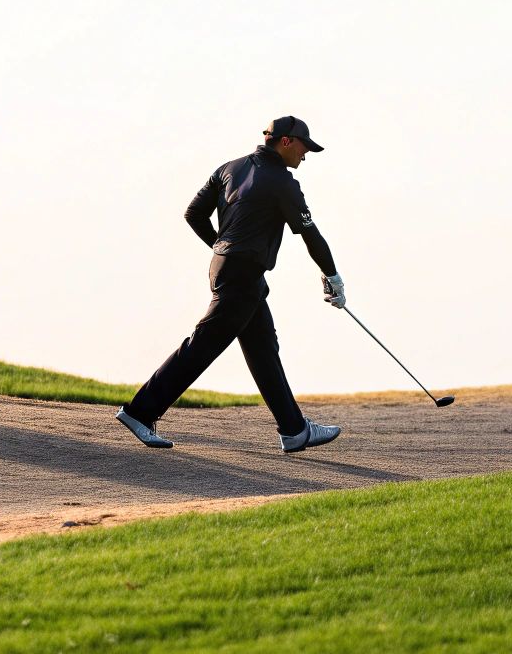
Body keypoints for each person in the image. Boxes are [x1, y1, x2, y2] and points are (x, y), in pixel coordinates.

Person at [117, 116, 348, 454]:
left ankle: (294, 430)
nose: (306, 154)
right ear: (286, 142)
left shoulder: (229, 168)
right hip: (241, 276)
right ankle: (140, 412)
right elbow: (310, 235)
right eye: (304, 146)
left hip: (230, 270)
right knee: (202, 345)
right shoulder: (283, 183)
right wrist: (333, 277)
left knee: (263, 349)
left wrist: (222, 246)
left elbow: (194, 213)